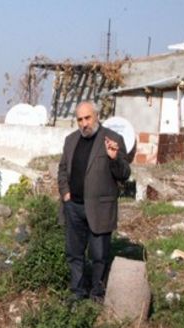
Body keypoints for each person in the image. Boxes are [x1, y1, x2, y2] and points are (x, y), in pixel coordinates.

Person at [57, 101, 131, 302]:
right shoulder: (71, 140)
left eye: (87, 118)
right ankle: (77, 292)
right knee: (74, 253)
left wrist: (114, 158)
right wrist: (65, 194)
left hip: (99, 209)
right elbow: (63, 170)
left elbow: (124, 174)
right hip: (74, 207)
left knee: (99, 255)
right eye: (80, 119)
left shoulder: (112, 139)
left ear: (96, 116)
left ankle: (97, 294)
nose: (84, 123)